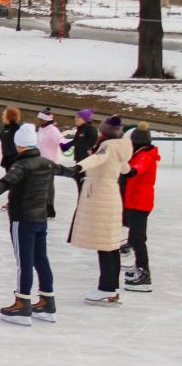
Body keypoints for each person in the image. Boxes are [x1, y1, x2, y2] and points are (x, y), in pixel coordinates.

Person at [0, 123, 76, 325]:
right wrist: (81, 171)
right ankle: (47, 302)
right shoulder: (46, 163)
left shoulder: (21, 165)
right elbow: (67, 171)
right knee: (41, 260)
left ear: (20, 146)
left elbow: (5, 183)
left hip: (22, 220)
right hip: (40, 219)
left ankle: (23, 303)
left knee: (25, 263)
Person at [67, 115, 132, 306]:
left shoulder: (108, 147)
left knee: (105, 246)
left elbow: (97, 159)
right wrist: (131, 172)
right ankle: (112, 288)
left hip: (102, 197)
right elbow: (126, 168)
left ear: (104, 132)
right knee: (111, 245)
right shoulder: (120, 147)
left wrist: (77, 167)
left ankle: (106, 289)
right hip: (111, 196)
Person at [121, 123, 158, 293]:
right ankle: (140, 267)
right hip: (135, 201)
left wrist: (128, 169)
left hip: (140, 202)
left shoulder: (145, 155)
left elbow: (137, 169)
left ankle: (144, 273)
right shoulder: (139, 153)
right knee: (135, 236)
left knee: (138, 238)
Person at [61, 108, 99, 191]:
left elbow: (95, 143)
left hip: (86, 164)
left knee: (84, 189)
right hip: (80, 161)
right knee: (80, 187)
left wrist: (91, 152)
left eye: (78, 117)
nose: (75, 118)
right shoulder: (80, 129)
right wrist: (66, 146)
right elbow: (77, 141)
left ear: (84, 119)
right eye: (75, 116)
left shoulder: (90, 129)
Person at [36, 108, 64, 218]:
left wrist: (65, 146)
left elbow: (61, 141)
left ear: (46, 119)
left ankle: (50, 208)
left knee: (48, 185)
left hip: (50, 162)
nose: (39, 121)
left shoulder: (53, 130)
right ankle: (43, 207)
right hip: (40, 161)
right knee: (42, 185)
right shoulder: (41, 129)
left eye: (41, 119)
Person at [0, 106, 21, 171]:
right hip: (6, 157)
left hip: (14, 158)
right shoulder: (6, 128)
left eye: (4, 114)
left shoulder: (15, 127)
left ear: (9, 116)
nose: (2, 116)